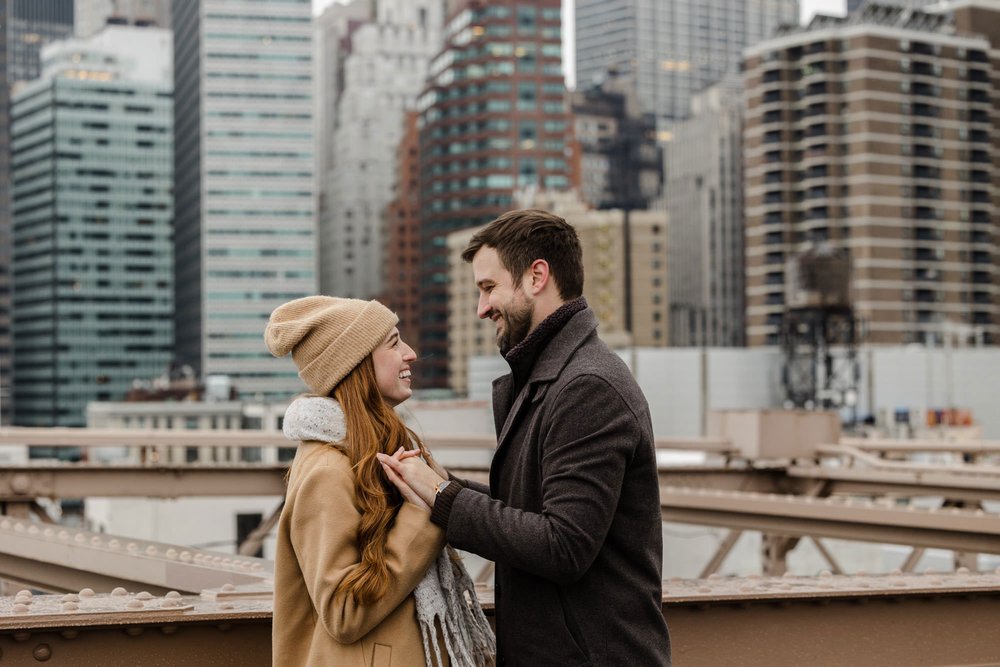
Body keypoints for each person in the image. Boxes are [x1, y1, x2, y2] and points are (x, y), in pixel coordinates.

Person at [378, 209, 672, 665]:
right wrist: (439, 483)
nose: (481, 308)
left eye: (488, 288)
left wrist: (442, 495)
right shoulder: (551, 379)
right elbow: (528, 511)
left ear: (537, 276)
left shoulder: (587, 386)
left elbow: (563, 545)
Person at [265, 296, 494, 667]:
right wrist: (422, 513)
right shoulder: (328, 471)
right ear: (355, 366)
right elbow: (342, 613)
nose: (411, 353)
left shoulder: (383, 451)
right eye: (393, 343)